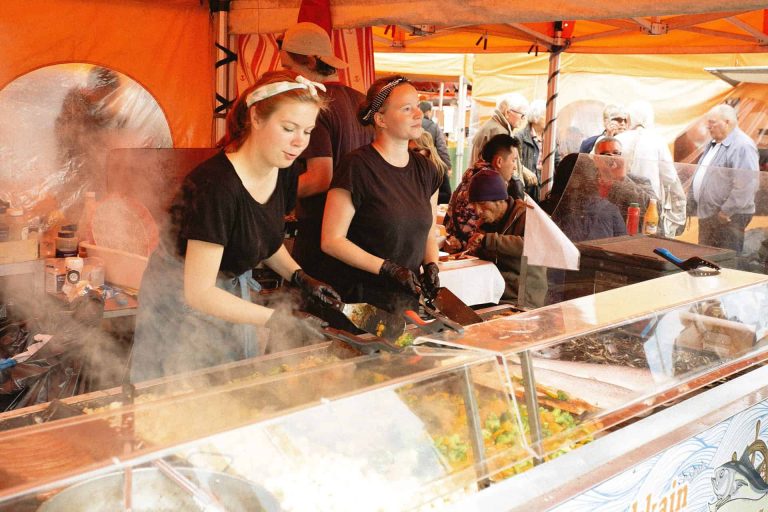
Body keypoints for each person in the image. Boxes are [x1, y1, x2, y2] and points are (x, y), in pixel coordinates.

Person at [130, 70, 341, 382]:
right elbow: (200, 292)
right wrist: (280, 320)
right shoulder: (216, 186)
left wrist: (301, 277)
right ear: (256, 118)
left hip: (226, 291)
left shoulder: (282, 169)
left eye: (307, 131)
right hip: (180, 297)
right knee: (179, 397)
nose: (299, 142)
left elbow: (264, 239)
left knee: (229, 384)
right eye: (288, 128)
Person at [321, 75, 442, 314]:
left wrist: (432, 264)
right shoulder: (356, 166)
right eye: (407, 109)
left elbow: (429, 231)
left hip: (405, 303)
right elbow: (332, 241)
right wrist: (387, 268)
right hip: (360, 302)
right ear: (381, 119)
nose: (418, 114)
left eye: (417, 106)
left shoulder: (427, 170)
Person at [280, 22, 373, 279]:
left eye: (288, 67)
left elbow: (321, 177)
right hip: (360, 234)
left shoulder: (316, 104)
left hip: (321, 234)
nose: (287, 75)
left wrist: (272, 195)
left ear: (309, 61)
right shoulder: (360, 99)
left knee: (310, 314)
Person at [464, 170, 548, 307]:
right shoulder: (486, 221)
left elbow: (536, 247)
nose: (478, 211)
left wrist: (489, 241)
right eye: (474, 205)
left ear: (500, 199)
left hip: (521, 298)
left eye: (483, 203)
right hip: (492, 293)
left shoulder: (529, 215)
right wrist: (475, 248)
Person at [688, 104, 759, 252]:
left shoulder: (742, 146)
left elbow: (746, 184)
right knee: (706, 257)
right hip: (710, 214)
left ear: (727, 122)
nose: (708, 127)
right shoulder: (713, 143)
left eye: (712, 122)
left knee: (725, 261)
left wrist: (725, 212)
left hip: (728, 217)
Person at [616, 100, 686, 237]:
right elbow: (670, 177)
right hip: (650, 204)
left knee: (621, 238)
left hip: (620, 200)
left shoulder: (619, 139)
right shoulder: (657, 141)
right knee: (647, 240)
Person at [443, 134, 523, 253]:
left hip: (453, 247)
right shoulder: (487, 183)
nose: (515, 167)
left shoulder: (471, 175)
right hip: (469, 254)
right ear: (499, 161)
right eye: (513, 160)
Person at [593, 137, 657, 223]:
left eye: (616, 153)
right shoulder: (586, 181)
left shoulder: (640, 181)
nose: (611, 157)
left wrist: (622, 180)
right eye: (605, 154)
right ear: (596, 159)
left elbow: (655, 210)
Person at [418, 101, 453, 204]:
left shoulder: (410, 126)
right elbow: (442, 148)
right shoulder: (434, 127)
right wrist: (448, 166)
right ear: (428, 112)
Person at [409, 131, 451, 204]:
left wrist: (422, 195)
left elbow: (447, 195)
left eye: (417, 150)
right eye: (409, 150)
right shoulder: (407, 168)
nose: (411, 154)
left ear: (428, 150)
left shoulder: (438, 168)